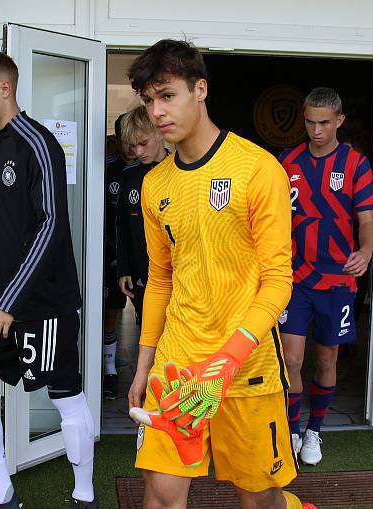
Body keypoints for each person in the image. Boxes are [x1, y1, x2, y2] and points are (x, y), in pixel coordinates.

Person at [126, 40, 308, 509]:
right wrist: (145, 364)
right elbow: (161, 279)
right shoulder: (155, 183)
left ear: (200, 89)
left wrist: (226, 361)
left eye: (167, 95)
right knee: (161, 498)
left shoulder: (256, 169)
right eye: (149, 100)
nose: (157, 111)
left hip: (245, 369)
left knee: (258, 499)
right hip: (179, 365)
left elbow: (277, 281)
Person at [0, 51, 98, 509]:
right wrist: (1, 299)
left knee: (65, 394)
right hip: (3, 300)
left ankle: (84, 494)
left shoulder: (38, 142)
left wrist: (8, 302)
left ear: (4, 88)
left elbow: (52, 224)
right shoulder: (2, 143)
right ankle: (2, 494)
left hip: (41, 303)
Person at [278, 87, 373, 466]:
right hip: (295, 278)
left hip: (337, 280)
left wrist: (365, 251)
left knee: (326, 359)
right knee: (292, 359)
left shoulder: (355, 164)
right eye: (309, 122)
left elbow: (366, 221)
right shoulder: (288, 160)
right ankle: (291, 428)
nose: (315, 130)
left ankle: (315, 430)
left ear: (339, 121)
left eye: (323, 123)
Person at [115, 105, 169, 327]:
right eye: (133, 146)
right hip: (141, 272)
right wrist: (124, 269)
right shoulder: (128, 176)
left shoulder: (181, 171)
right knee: (148, 334)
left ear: (159, 132)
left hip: (177, 276)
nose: (138, 152)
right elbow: (122, 226)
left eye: (143, 143)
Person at [102, 114, 137, 400]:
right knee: (109, 314)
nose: (132, 146)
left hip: (145, 261)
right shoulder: (107, 170)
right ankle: (109, 371)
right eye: (126, 139)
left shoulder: (153, 170)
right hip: (109, 255)